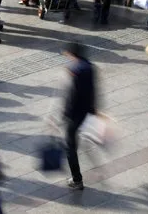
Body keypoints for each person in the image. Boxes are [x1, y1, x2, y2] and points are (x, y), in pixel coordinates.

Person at [60, 42, 95, 190]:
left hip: (75, 113)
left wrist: (66, 113)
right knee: (74, 141)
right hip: (86, 110)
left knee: (70, 147)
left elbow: (73, 95)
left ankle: (77, 179)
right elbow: (92, 90)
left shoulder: (76, 70)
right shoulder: (89, 66)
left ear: (72, 54)